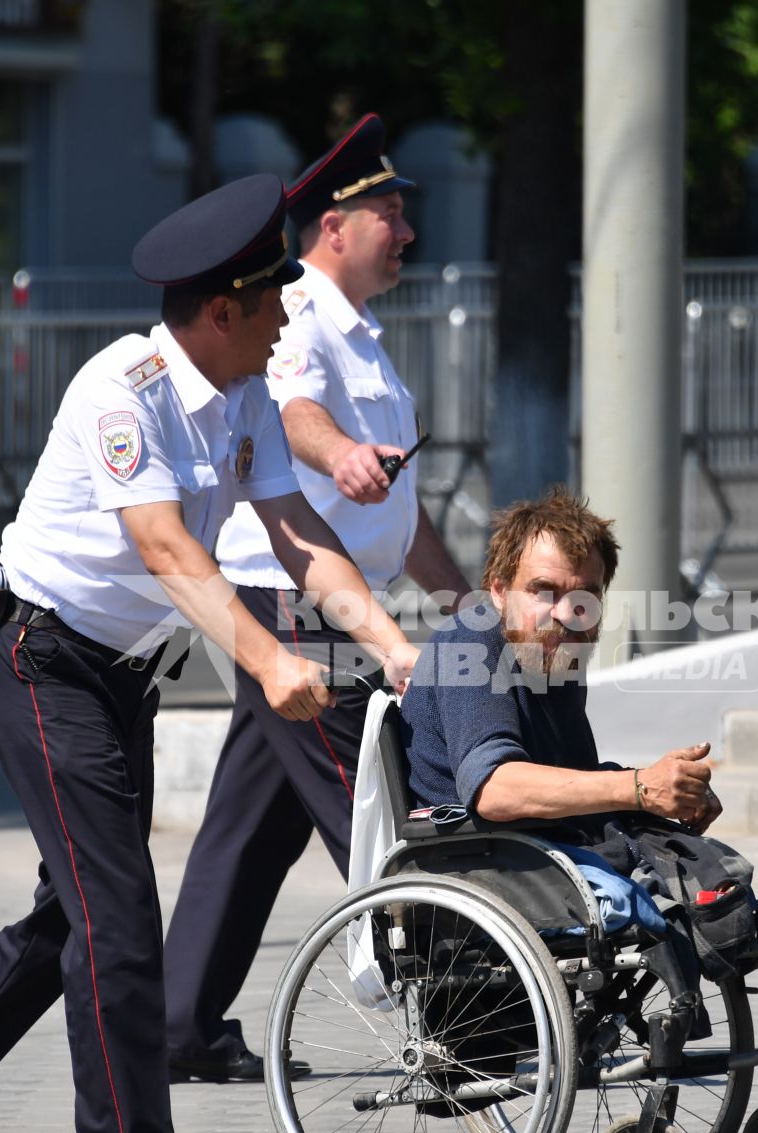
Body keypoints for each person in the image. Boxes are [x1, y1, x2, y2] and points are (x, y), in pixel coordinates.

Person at [0, 174, 419, 1133]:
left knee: (75, 909)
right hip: (39, 658)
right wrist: (269, 659)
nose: (290, 311)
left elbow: (291, 530)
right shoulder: (127, 388)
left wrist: (383, 635)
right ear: (222, 310)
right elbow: (168, 547)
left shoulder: (245, 395)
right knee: (117, 913)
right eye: (272, 297)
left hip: (117, 672)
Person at [160, 114, 471, 1084]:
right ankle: (470, 1013)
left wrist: (467, 605)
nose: (406, 232)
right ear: (334, 224)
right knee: (375, 806)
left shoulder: (363, 337)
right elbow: (294, 420)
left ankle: (178, 1024)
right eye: (389, 212)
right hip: (293, 599)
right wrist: (338, 451)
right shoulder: (296, 316)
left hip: (328, 595)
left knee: (253, 825)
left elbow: (399, 510)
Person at [400, 487, 721, 835]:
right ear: (499, 591)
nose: (567, 613)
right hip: (489, 862)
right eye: (544, 591)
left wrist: (673, 787)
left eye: (585, 595)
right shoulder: (468, 644)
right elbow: (494, 788)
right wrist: (638, 788)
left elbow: (569, 776)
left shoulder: (556, 653)